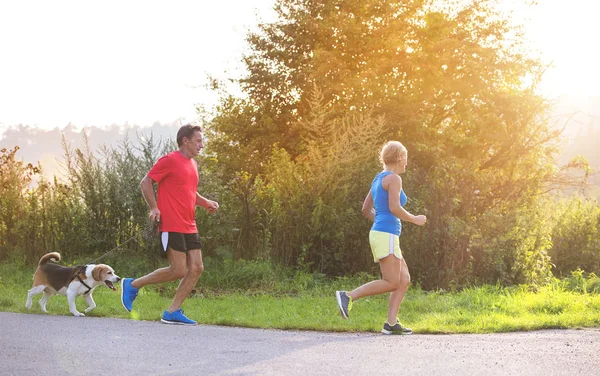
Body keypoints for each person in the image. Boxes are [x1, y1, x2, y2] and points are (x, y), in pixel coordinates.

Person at [121, 124, 219, 325]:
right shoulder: (170, 160)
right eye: (198, 141)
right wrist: (154, 208)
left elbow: (190, 192)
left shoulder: (193, 164)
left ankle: (172, 311)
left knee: (197, 268)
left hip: (189, 224)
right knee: (178, 271)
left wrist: (205, 202)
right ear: (185, 140)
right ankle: (132, 285)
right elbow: (145, 182)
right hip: (172, 224)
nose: (202, 145)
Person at [335, 141, 426, 334]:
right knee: (392, 281)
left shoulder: (378, 179)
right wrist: (414, 219)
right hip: (386, 235)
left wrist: (381, 223)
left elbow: (365, 209)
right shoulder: (393, 179)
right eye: (406, 159)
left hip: (382, 233)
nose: (407, 164)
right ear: (400, 157)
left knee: (404, 279)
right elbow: (394, 207)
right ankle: (348, 296)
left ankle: (391, 324)